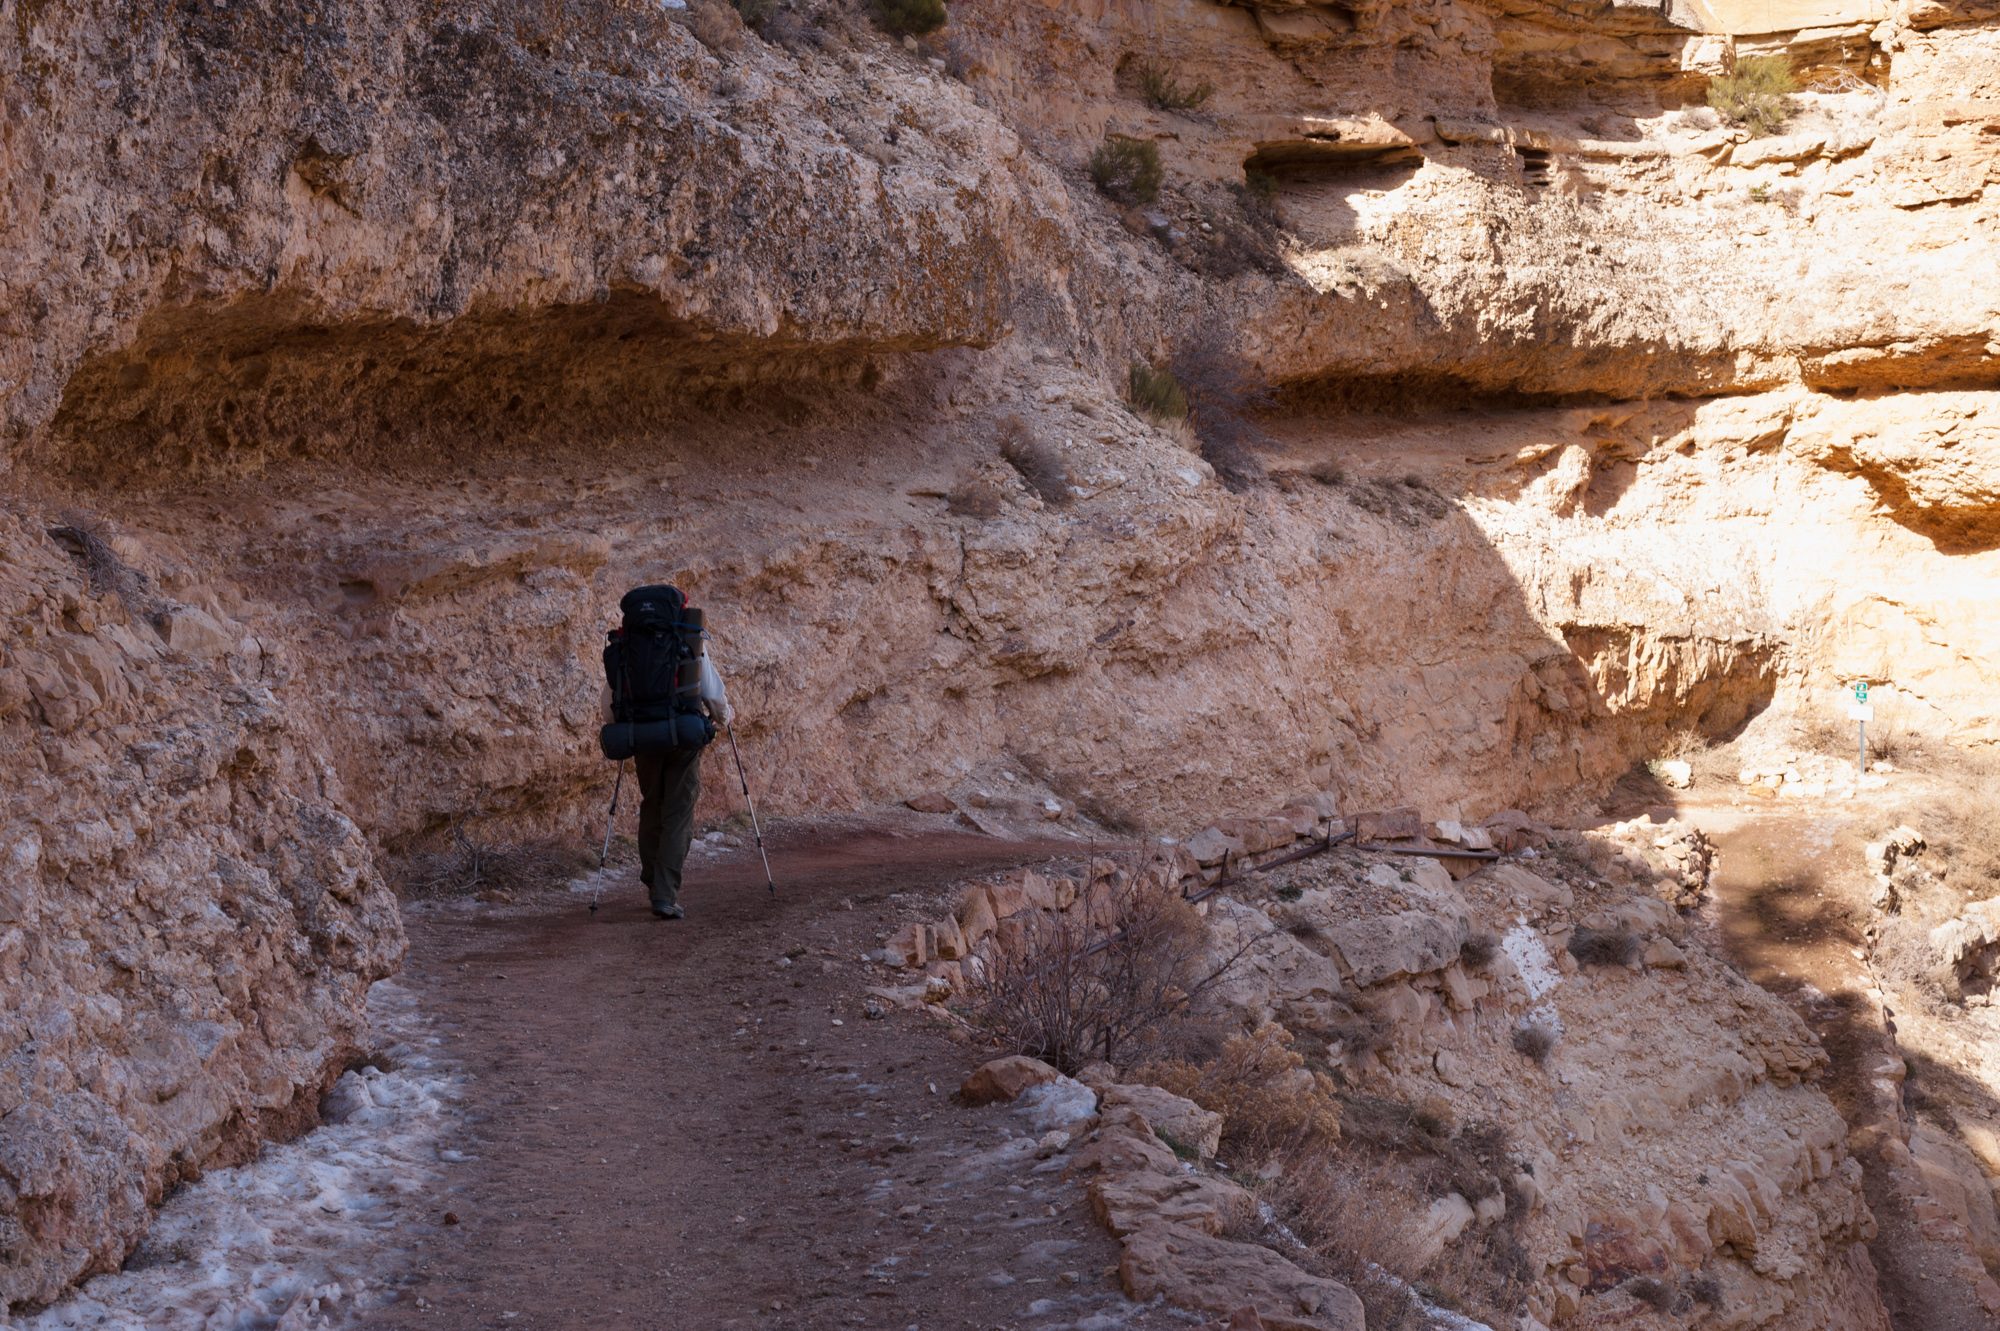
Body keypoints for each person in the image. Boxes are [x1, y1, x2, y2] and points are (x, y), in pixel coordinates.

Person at [599, 588, 732, 920]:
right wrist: (724, 718)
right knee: (678, 812)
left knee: (652, 805)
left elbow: (609, 703)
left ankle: (651, 878)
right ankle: (665, 893)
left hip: (643, 737)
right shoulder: (685, 640)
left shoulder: (628, 647)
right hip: (684, 739)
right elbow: (712, 694)